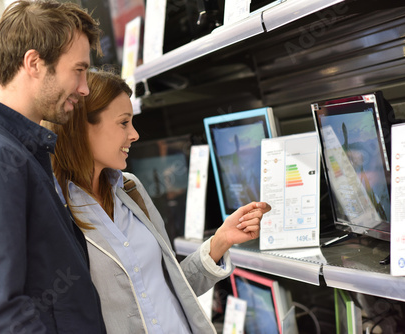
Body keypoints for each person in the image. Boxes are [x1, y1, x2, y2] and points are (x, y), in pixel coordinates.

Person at [46, 69, 272, 333]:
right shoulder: (56, 213)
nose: (134, 134)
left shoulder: (131, 190)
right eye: (123, 123)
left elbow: (173, 288)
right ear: (83, 128)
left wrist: (221, 240)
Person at [0, 1, 107, 333]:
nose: (85, 88)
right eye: (78, 70)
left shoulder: (14, 147)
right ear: (33, 63)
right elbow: (0, 315)